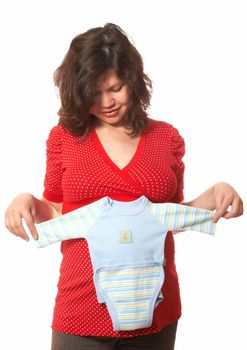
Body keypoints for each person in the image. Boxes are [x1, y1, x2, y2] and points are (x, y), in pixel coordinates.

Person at [5, 23, 243, 350]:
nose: (107, 102)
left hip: (155, 304)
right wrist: (25, 200)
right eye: (94, 92)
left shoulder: (166, 138)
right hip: (82, 304)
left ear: (133, 80)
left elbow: (166, 218)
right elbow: (56, 210)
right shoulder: (65, 138)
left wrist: (215, 194)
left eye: (115, 88)